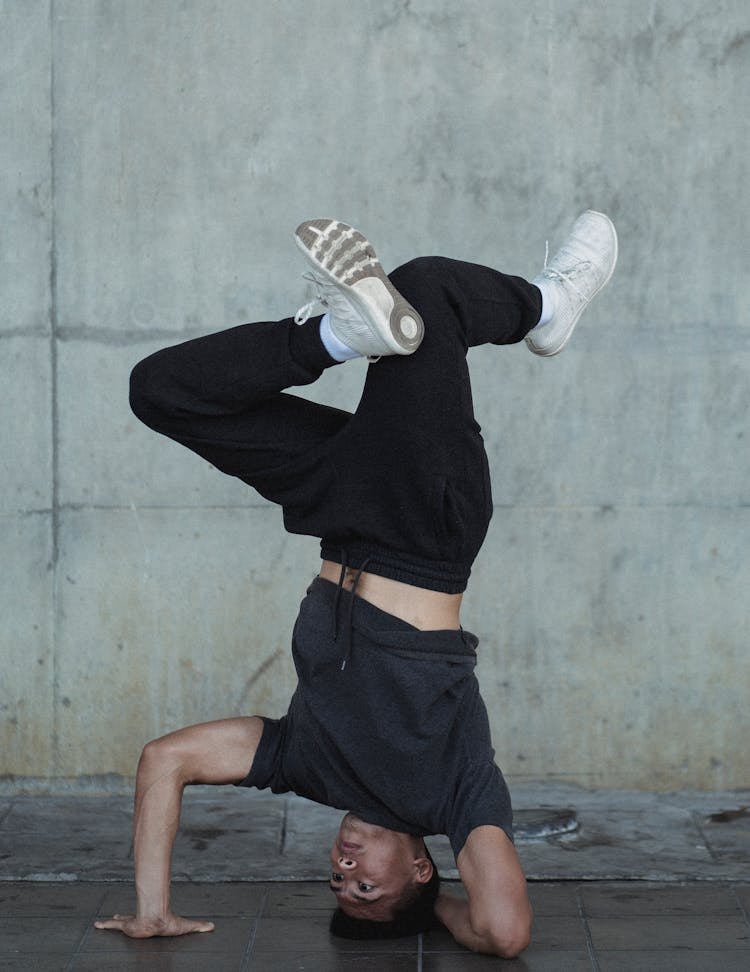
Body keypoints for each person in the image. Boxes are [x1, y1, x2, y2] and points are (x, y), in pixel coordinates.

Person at [94, 211, 618, 957]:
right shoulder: (454, 791)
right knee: (429, 289)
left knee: (162, 390)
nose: (342, 868)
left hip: (340, 512)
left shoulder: (308, 765)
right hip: (425, 525)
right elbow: (505, 931)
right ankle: (549, 305)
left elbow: (165, 760)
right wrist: (439, 913)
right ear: (420, 865)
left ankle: (337, 336)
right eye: (367, 884)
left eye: (337, 885)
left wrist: (153, 910)